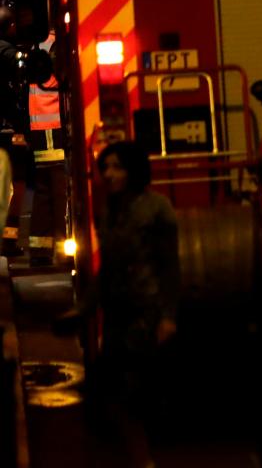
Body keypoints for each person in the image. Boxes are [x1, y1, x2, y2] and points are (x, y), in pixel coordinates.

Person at [81, 141, 179, 467]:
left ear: (134, 171)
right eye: (105, 167)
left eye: (117, 167)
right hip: (116, 313)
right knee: (110, 394)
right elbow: (107, 268)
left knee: (133, 395)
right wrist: (86, 307)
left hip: (146, 313)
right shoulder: (109, 212)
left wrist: (167, 316)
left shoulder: (158, 209)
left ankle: (144, 459)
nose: (109, 174)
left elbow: (169, 266)